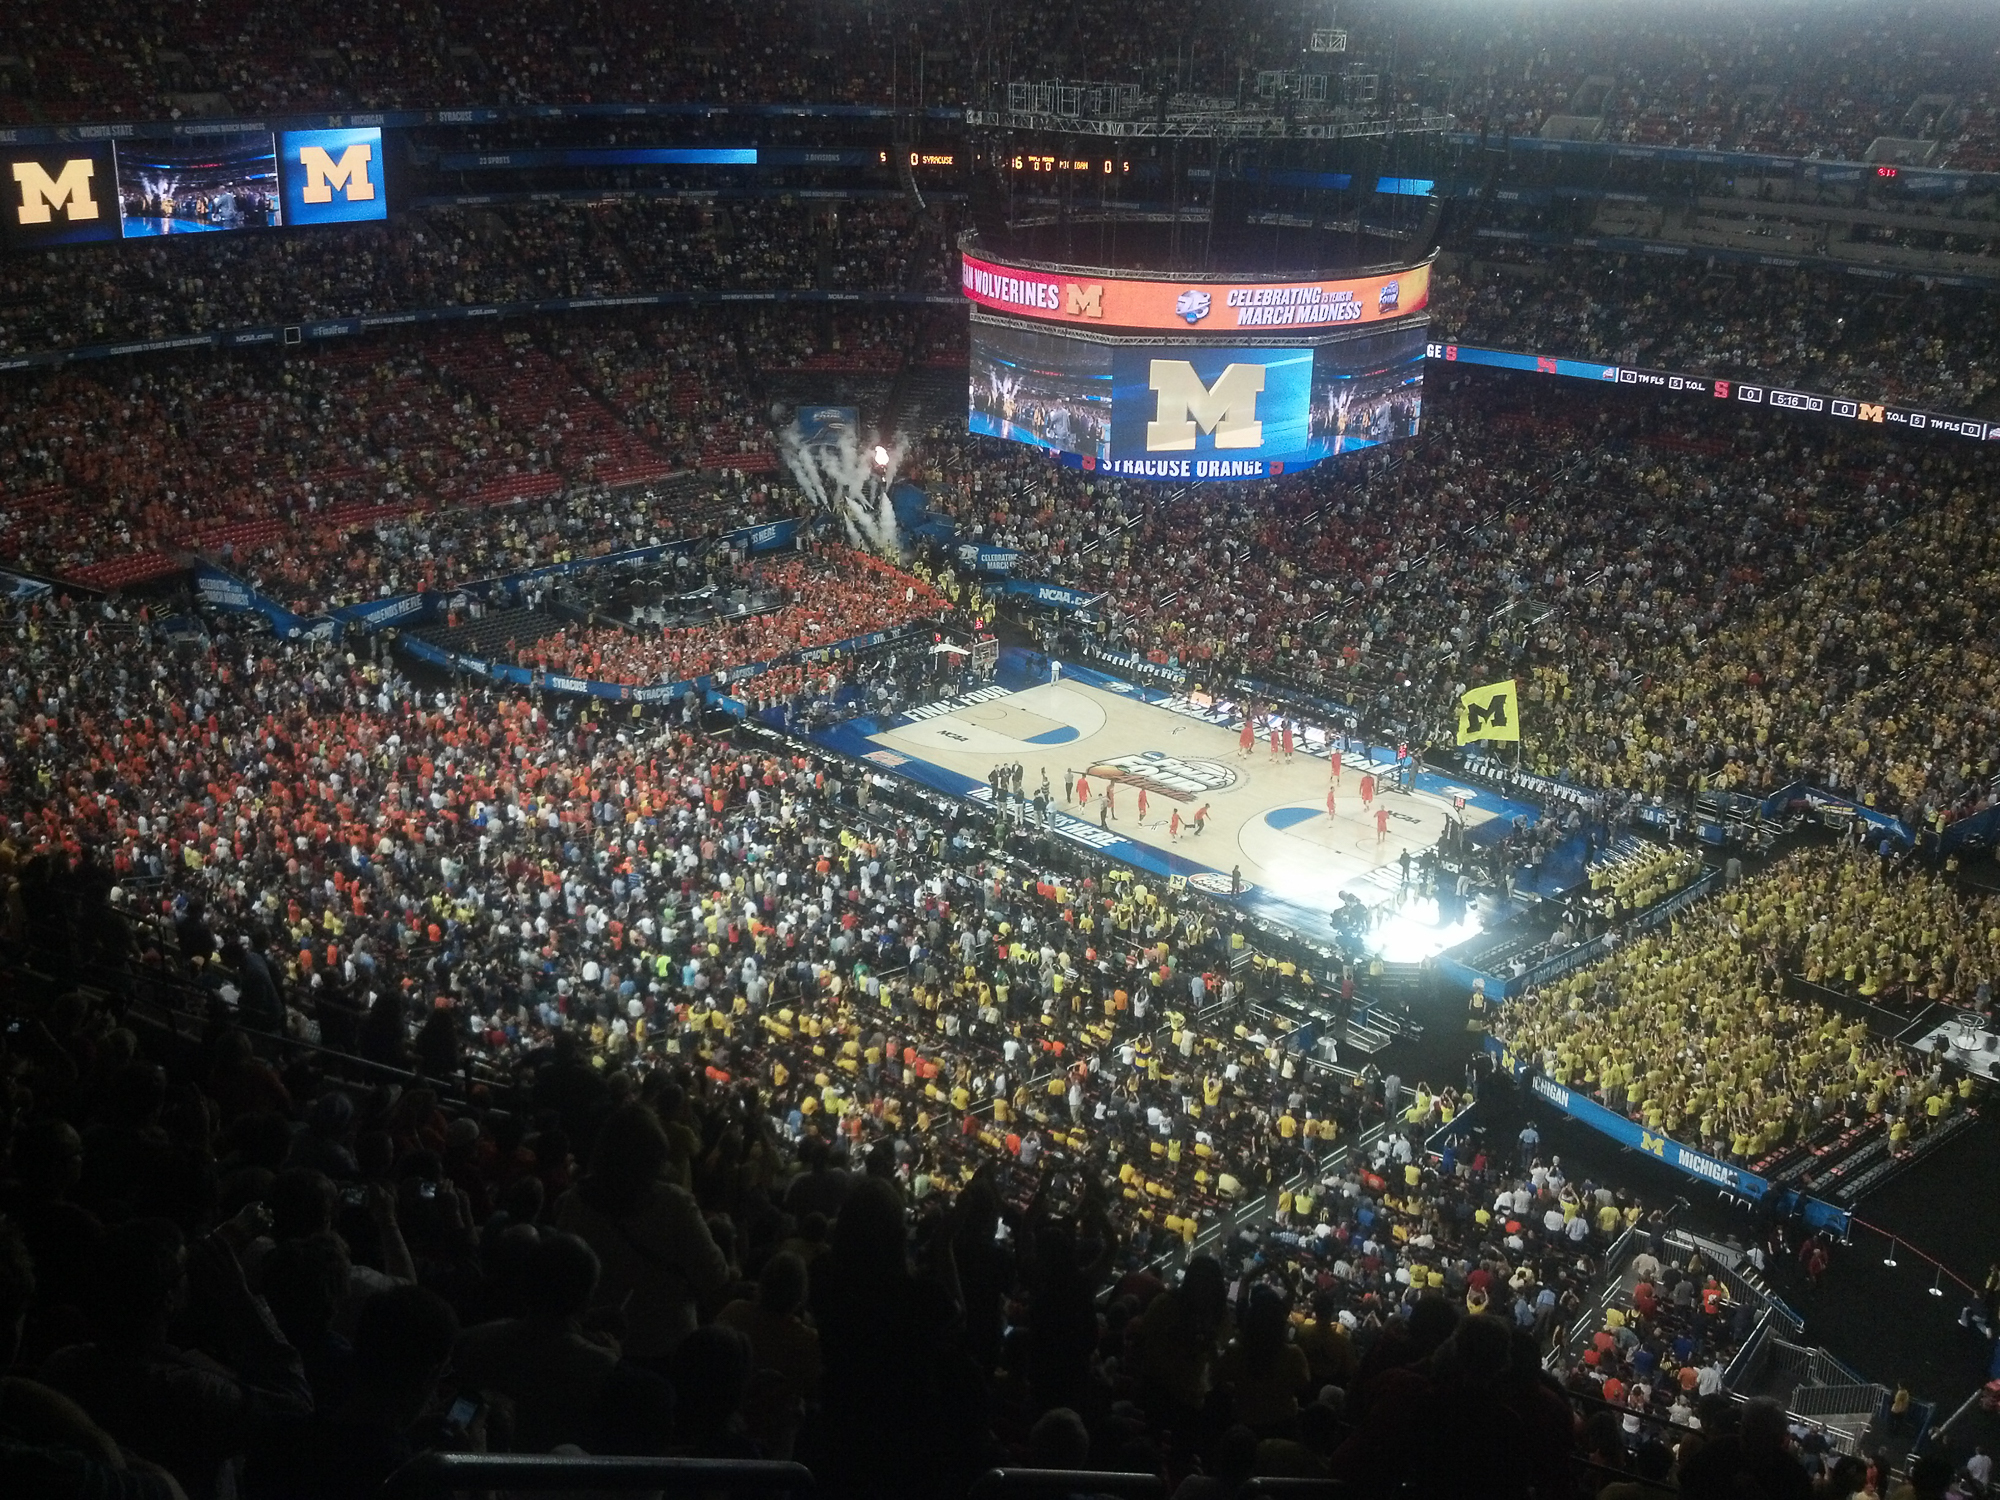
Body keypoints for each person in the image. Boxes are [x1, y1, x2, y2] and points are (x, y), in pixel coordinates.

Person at [241, 1285, 460, 1500]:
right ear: (428, 1376)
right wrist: (473, 1469)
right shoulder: (416, 1483)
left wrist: (404, 1438)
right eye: (443, 1371)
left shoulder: (280, 1441)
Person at [554, 1104, 732, 1367]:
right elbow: (715, 1276)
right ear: (654, 1158)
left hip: (588, 1342)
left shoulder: (572, 1202)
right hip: (661, 1346)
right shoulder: (675, 1206)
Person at [450, 1233, 621, 1453]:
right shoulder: (602, 1367)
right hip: (551, 1472)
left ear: (525, 1284)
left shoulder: (472, 1341)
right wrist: (618, 1361)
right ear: (587, 1298)